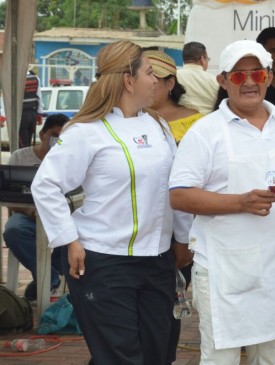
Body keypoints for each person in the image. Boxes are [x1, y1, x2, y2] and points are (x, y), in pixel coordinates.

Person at [30, 41, 192, 365]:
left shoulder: (158, 126)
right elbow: (45, 184)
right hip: (103, 263)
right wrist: (70, 239)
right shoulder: (86, 131)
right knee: (120, 357)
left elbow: (175, 187)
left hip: (158, 262)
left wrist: (183, 240)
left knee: (158, 354)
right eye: (150, 73)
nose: (156, 82)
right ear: (129, 81)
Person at [168, 40, 275, 365]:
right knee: (220, 358)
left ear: (269, 76)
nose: (250, 82)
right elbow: (179, 194)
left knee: (269, 356)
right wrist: (240, 203)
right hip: (225, 270)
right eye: (239, 76)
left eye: (257, 73)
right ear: (223, 81)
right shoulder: (206, 132)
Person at [144, 49, 202, 365]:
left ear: (171, 83)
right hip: (141, 229)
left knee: (169, 302)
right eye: (144, 76)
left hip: (182, 228)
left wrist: (185, 238)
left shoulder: (197, 122)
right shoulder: (128, 120)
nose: (149, 84)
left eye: (157, 78)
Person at [4, 113, 69, 300]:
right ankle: (50, 277)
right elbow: (9, 196)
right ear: (42, 135)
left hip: (59, 219)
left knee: (77, 236)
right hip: (26, 216)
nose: (57, 142)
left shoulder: (67, 160)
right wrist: (28, 211)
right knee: (13, 230)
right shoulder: (20, 157)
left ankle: (47, 277)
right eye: (54, 136)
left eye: (63, 138)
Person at [176, 41, 220, 115]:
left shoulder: (174, 77)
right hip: (207, 123)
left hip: (178, 123)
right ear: (202, 59)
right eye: (207, 59)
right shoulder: (215, 81)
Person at [19, 70, 43, 147]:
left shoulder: (17, 78)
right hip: (33, 114)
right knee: (28, 142)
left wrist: (3, 117)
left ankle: (23, 158)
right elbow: (39, 97)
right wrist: (39, 115)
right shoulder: (35, 78)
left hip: (22, 115)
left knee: (22, 144)